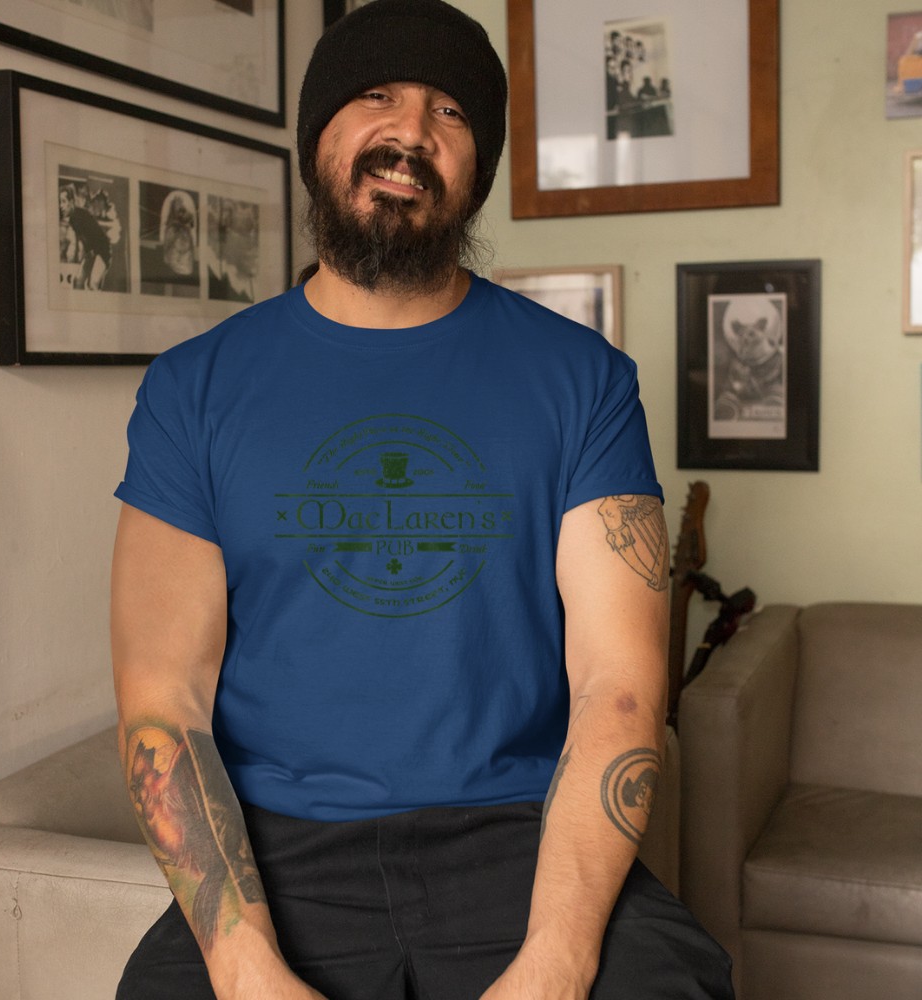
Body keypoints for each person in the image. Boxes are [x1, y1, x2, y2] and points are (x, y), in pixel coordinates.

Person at [110, 2, 735, 998]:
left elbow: (618, 685)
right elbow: (163, 699)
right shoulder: (193, 389)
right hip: (278, 846)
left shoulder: (584, 381)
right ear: (317, 138)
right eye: (375, 97)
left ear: (477, 169)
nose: (410, 132)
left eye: (449, 111)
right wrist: (243, 967)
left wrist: (557, 961)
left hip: (519, 834)